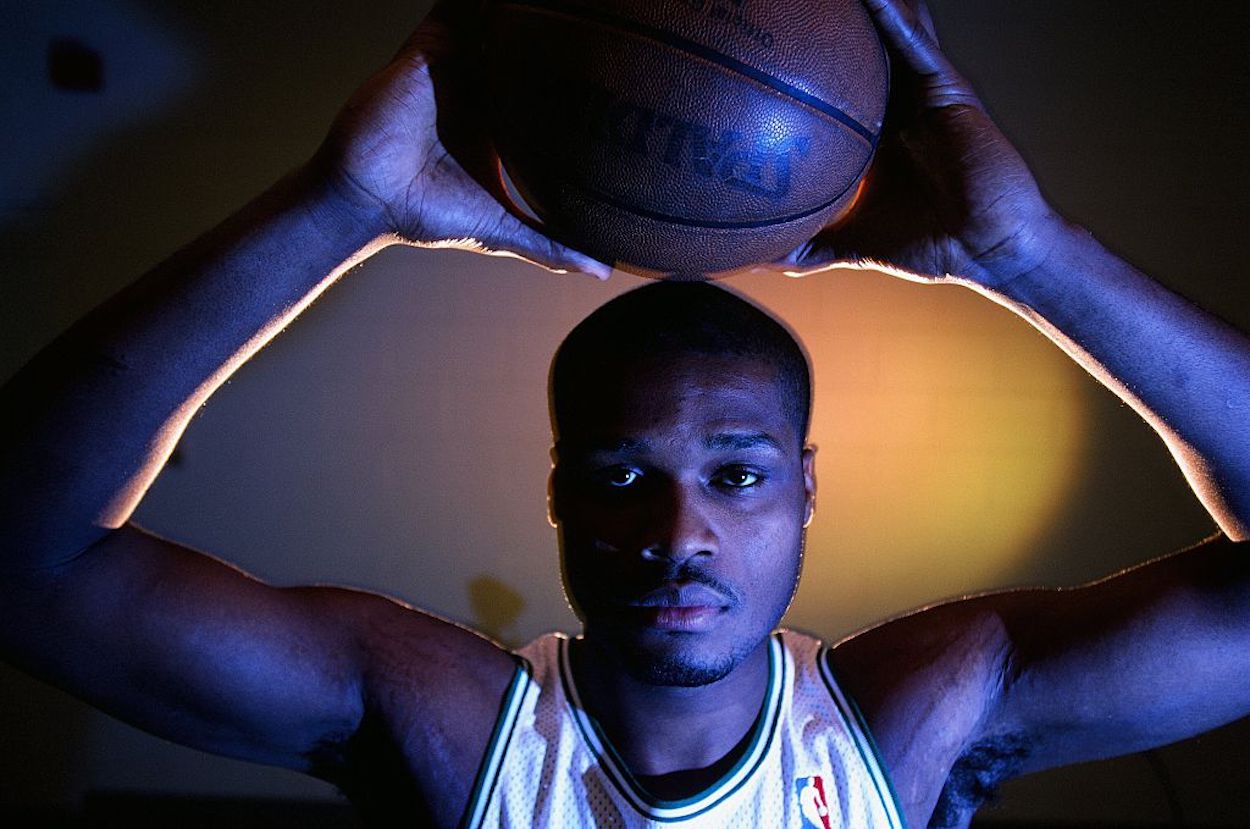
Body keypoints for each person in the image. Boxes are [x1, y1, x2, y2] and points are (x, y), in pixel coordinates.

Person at [1, 0, 1247, 826]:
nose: (676, 530)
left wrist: (1025, 255)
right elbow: (17, 562)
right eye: (616, 473)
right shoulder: (444, 727)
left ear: (810, 485)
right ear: (554, 491)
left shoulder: (913, 727)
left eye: (738, 474)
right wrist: (337, 205)